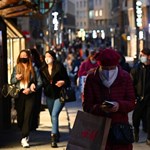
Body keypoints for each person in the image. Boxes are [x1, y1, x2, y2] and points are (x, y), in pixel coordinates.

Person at [82, 48, 135, 150]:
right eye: (105, 68)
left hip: (120, 129)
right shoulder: (92, 78)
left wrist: (119, 105)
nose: (108, 72)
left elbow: (131, 102)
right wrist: (100, 108)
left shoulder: (125, 77)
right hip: (98, 128)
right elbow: (86, 106)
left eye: (111, 68)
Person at [10, 49, 42, 148]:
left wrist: (32, 88)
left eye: (25, 55)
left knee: (28, 115)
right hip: (20, 94)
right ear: (19, 57)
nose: (23, 57)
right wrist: (17, 78)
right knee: (21, 116)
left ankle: (24, 137)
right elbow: (12, 81)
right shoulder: (16, 68)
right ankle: (24, 131)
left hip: (30, 94)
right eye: (21, 56)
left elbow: (40, 82)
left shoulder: (34, 68)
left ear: (28, 57)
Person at [40, 50, 70, 148]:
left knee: (54, 114)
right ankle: (56, 132)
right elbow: (41, 82)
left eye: (49, 56)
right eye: (45, 56)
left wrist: (63, 82)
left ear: (53, 57)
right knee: (52, 115)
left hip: (59, 95)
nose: (47, 58)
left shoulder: (59, 67)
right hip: (49, 95)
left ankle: (53, 138)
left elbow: (68, 80)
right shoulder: (42, 69)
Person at [130, 48, 150, 144]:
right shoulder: (137, 68)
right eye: (140, 55)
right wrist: (133, 96)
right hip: (139, 97)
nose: (141, 57)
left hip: (149, 98)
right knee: (136, 118)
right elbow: (132, 83)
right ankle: (136, 133)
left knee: (149, 118)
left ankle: (149, 138)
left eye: (143, 55)